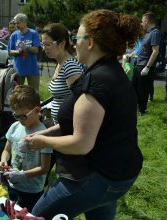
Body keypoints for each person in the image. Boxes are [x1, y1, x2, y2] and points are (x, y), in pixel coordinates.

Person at [24, 10, 143, 219]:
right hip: (119, 174)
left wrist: (43, 140)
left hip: (96, 177)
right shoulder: (111, 71)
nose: (73, 43)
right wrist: (49, 132)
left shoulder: (96, 82)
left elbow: (82, 143)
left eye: (76, 38)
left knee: (35, 217)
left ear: (89, 43)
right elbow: (86, 124)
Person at [0, 85, 52, 212]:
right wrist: (3, 161)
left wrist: (23, 175)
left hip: (31, 190)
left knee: (26, 214)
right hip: (13, 184)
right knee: (12, 212)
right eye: (16, 115)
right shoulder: (15, 127)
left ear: (37, 110)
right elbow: (6, 150)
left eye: (23, 116)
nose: (20, 120)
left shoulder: (44, 134)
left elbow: (44, 168)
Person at [41, 23, 83, 123]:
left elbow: (80, 100)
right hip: (60, 125)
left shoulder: (70, 66)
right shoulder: (60, 64)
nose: (44, 48)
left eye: (48, 44)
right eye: (43, 44)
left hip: (69, 126)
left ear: (62, 43)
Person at [132, 12, 161, 115]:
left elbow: (155, 51)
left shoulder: (155, 32)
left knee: (143, 90)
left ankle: (142, 110)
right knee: (134, 87)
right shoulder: (147, 33)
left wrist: (148, 67)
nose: (142, 23)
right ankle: (135, 107)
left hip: (145, 65)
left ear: (147, 21)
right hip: (138, 64)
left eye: (142, 21)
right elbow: (143, 49)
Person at [8, 13, 41, 92]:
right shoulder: (14, 35)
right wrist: (18, 51)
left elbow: (36, 50)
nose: (16, 25)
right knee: (17, 92)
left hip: (32, 69)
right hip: (18, 70)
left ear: (24, 23)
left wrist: (26, 47)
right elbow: (10, 52)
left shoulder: (33, 33)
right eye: (15, 23)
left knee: (34, 92)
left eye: (17, 23)